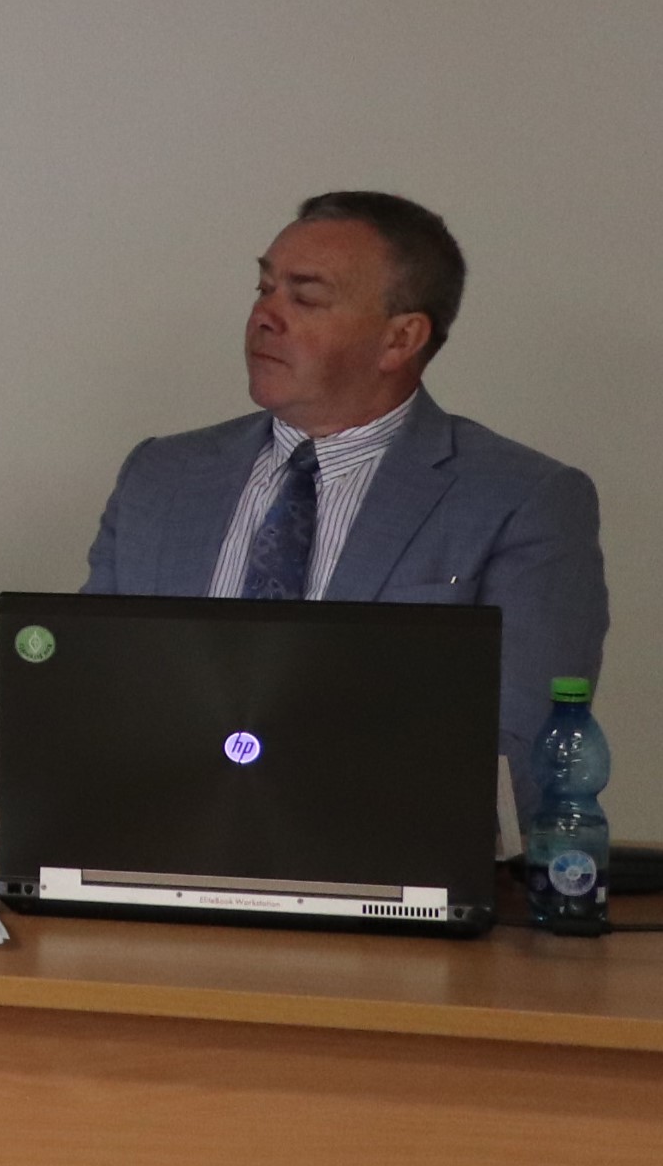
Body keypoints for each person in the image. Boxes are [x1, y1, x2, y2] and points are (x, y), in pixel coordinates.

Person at [82, 190, 604, 786]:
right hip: (154, 832)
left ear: (400, 340)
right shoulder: (161, 476)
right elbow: (91, 690)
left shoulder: (522, 500)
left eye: (304, 297)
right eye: (264, 288)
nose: (265, 316)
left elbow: (527, 753)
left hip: (390, 840)